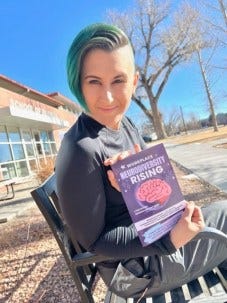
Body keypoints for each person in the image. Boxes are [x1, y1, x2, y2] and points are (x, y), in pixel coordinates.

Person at [55, 23, 227, 299]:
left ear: (134, 82)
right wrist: (169, 240)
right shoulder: (80, 150)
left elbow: (157, 192)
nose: (108, 96)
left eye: (118, 81)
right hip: (135, 273)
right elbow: (97, 243)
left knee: (223, 210)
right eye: (94, 81)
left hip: (152, 241)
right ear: (78, 82)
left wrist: (132, 189)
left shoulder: (127, 126)